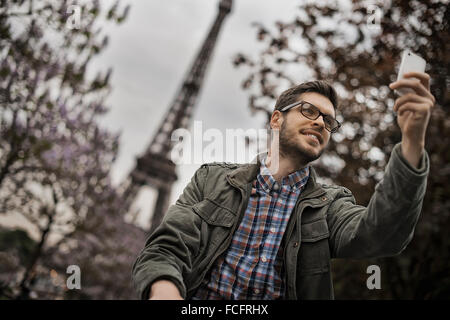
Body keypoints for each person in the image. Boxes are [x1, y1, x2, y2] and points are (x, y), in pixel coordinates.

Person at [132, 72, 434, 300]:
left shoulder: (329, 206)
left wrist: (412, 141)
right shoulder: (211, 179)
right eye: (308, 111)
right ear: (277, 119)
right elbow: (167, 248)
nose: (320, 123)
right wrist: (165, 292)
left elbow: (380, 235)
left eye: (329, 121)